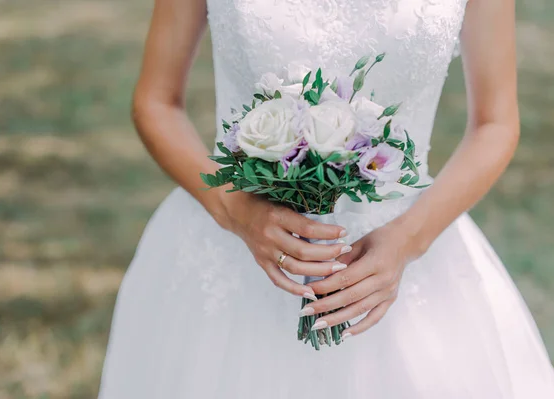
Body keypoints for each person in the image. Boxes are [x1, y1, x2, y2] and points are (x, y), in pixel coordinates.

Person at [98, 0, 554, 397]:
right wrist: (235, 211)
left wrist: (408, 240)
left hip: (406, 258)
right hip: (228, 255)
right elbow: (156, 101)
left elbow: (496, 124)